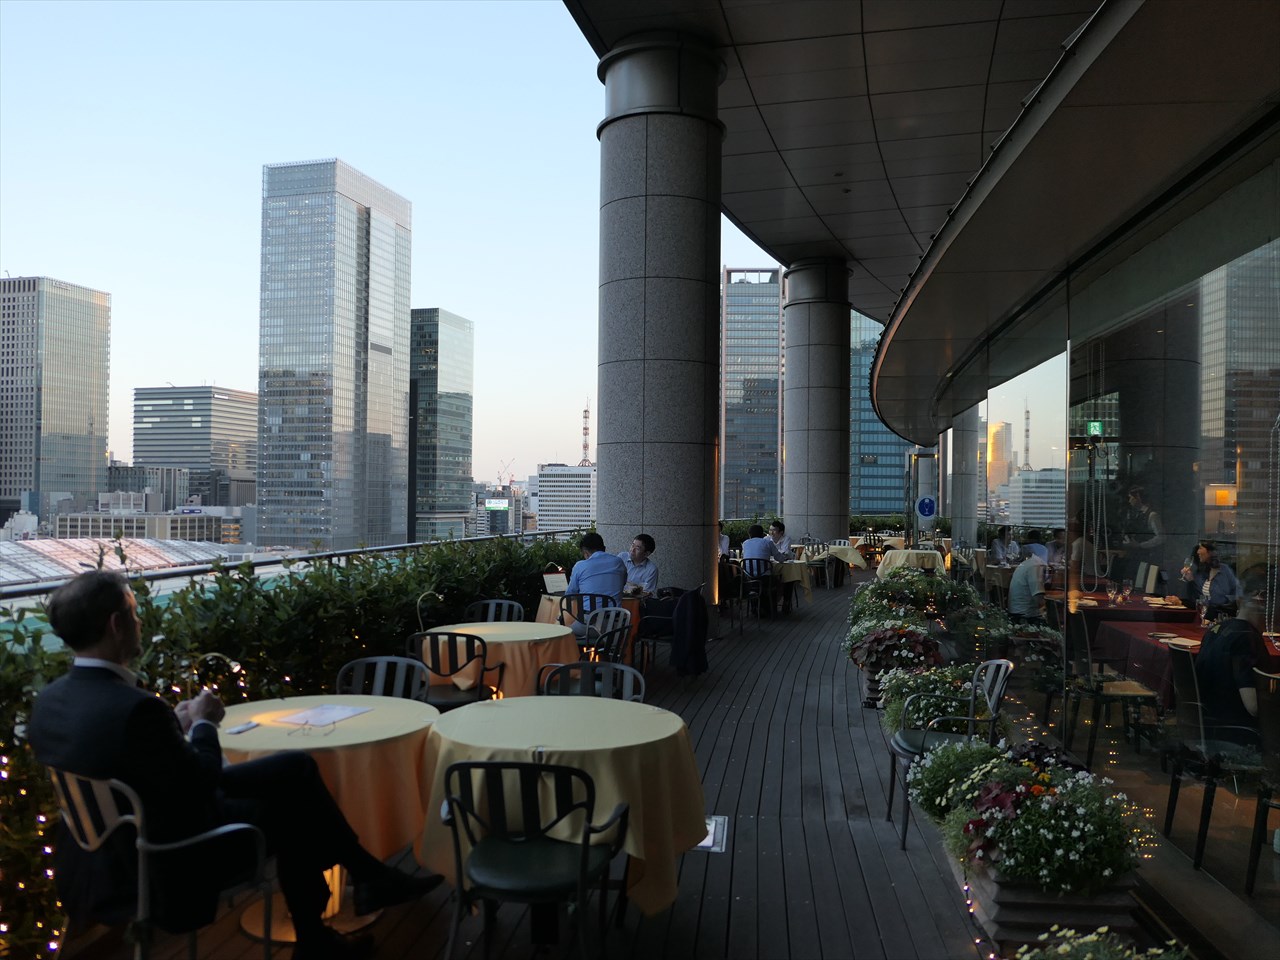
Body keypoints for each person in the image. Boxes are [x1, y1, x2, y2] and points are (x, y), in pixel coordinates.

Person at [27, 571, 439, 960]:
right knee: (294, 809)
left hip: (97, 859)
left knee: (296, 768)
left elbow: (133, 762)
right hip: (170, 858)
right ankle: (339, 911)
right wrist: (204, 723)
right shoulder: (136, 709)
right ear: (116, 624)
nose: (138, 622)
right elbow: (204, 781)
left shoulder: (50, 701)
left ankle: (361, 885)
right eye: (133, 614)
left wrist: (177, 728)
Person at [1194, 599, 1262, 742]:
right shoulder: (1246, 637)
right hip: (1235, 735)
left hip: (1204, 727)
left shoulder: (1215, 629)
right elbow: (1253, 707)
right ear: (1261, 601)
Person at [564, 531, 627, 636]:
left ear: (585, 552)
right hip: (614, 625)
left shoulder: (580, 566)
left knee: (565, 634)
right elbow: (623, 583)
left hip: (588, 624)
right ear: (604, 548)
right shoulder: (618, 562)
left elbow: (570, 595)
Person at [1170, 540, 1242, 621]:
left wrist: (1226, 601)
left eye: (1200, 548)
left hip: (1221, 617)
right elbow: (1196, 599)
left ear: (1210, 552)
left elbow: (1238, 592)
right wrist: (1191, 580)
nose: (1198, 552)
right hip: (1206, 617)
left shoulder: (1225, 570)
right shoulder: (1200, 573)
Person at [1121, 486, 1164, 577]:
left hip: (1147, 558)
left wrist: (1141, 545)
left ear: (1138, 497)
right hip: (1136, 556)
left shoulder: (1152, 515)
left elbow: (1161, 537)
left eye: (1131, 498)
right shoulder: (1136, 515)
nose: (1129, 501)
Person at [1007, 552, 1047, 624]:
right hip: (1024, 616)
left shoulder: (1030, 563)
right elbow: (1038, 599)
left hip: (1018, 612)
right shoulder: (1036, 565)